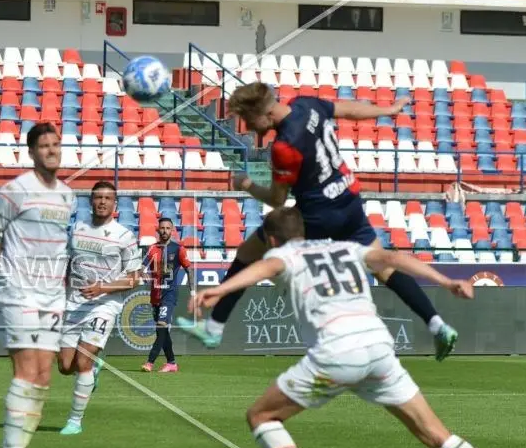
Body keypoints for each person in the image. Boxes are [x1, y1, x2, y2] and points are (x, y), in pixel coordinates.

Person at [190, 207, 526, 448]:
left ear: (270, 239)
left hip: (335, 354)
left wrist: (219, 290)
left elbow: (263, 268)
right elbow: (393, 258)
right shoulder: (348, 248)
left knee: (262, 416)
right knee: (437, 435)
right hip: (379, 350)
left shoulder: (283, 254)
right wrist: (446, 281)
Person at [176, 83, 458, 360]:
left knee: (251, 254)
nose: (249, 128)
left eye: (249, 121)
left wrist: (246, 183)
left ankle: (215, 327)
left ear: (264, 114)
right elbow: (347, 109)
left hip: (316, 215)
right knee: (382, 266)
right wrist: (388, 109)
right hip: (348, 199)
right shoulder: (307, 104)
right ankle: (437, 324)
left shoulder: (284, 146)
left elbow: (276, 199)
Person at [0, 122, 75, 448]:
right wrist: (12, 265)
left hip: (52, 295)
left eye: (55, 144)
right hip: (19, 291)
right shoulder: (16, 190)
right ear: (32, 152)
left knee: (45, 377)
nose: (51, 150)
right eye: (44, 146)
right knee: (26, 371)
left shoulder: (67, 195)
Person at [56, 181, 142, 436]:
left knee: (82, 361)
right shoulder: (78, 231)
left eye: (108, 198)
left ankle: (74, 421)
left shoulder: (124, 236)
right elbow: (68, 266)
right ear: (90, 201)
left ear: (115, 204)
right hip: (75, 303)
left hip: (105, 305)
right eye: (98, 198)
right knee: (64, 366)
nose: (103, 202)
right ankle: (94, 369)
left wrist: (102, 288)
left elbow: (134, 278)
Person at [143, 217, 190, 372]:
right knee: (161, 331)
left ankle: (150, 362)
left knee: (162, 326)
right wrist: (141, 274)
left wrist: (194, 291)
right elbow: (141, 266)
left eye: (168, 228)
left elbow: (190, 269)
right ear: (158, 230)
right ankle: (172, 363)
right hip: (155, 295)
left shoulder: (178, 249)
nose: (164, 231)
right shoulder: (151, 249)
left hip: (169, 294)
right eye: (162, 228)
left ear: (172, 230)